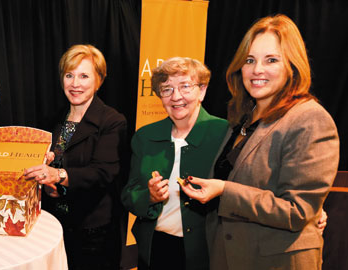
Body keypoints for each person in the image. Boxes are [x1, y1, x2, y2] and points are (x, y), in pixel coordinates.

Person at [180, 14, 339, 269]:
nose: (257, 70)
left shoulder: (310, 119)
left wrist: (224, 190)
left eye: (271, 60)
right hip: (230, 256)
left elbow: (297, 211)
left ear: (292, 65)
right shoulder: (244, 117)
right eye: (250, 60)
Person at [24, 44, 127, 269]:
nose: (75, 83)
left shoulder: (112, 121)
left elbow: (103, 173)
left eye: (84, 76)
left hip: (93, 231)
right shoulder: (54, 119)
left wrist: (57, 174)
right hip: (53, 224)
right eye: (69, 75)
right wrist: (48, 182)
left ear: (98, 80)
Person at [120, 57, 227, 270]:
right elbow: (128, 195)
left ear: (202, 91)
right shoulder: (145, 137)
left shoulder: (223, 134)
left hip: (205, 251)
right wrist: (149, 197)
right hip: (154, 248)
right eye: (166, 89)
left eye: (185, 86)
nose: (176, 97)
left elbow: (238, 193)